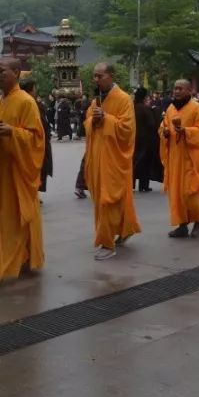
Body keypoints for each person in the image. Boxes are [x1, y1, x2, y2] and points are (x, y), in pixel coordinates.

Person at [0, 59, 46, 290]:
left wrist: (13, 133)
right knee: (13, 219)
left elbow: (36, 139)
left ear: (16, 72)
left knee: (10, 222)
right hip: (0, 171)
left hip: (18, 171)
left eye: (2, 71)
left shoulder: (26, 102)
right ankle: (25, 257)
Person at [84, 62, 141, 260]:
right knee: (107, 199)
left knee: (108, 199)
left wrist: (106, 118)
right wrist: (94, 120)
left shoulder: (124, 99)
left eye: (100, 76)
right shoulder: (95, 101)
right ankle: (126, 229)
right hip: (98, 157)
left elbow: (127, 129)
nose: (96, 80)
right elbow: (87, 124)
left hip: (115, 158)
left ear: (111, 75)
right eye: (95, 76)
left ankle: (107, 244)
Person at [160, 79, 199, 237]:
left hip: (191, 158)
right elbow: (164, 126)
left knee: (191, 192)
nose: (176, 91)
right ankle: (182, 224)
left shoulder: (198, 108)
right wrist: (164, 132)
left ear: (189, 90)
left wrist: (185, 131)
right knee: (176, 193)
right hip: (175, 158)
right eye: (175, 88)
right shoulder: (170, 108)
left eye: (180, 89)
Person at [20, 79, 53, 194]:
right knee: (36, 166)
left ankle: (34, 190)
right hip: (35, 139)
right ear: (31, 89)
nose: (36, 90)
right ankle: (33, 190)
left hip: (39, 137)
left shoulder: (32, 101)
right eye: (35, 88)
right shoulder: (29, 102)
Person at [132, 87, 161, 193]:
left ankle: (130, 183)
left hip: (134, 138)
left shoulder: (132, 107)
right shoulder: (145, 109)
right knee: (145, 163)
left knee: (134, 161)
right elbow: (152, 124)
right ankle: (144, 185)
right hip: (146, 140)